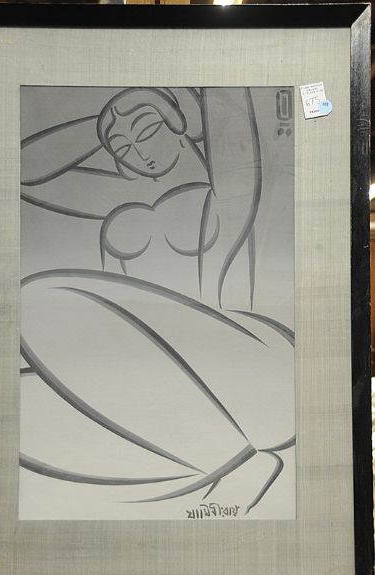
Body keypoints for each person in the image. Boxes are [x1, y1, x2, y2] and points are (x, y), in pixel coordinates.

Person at [19, 87, 295, 518]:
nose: (138, 154)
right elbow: (23, 170)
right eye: (123, 149)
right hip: (169, 385)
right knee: (20, 400)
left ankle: (230, 460)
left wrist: (155, 103)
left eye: (147, 132)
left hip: (246, 361)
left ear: (180, 122)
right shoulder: (116, 198)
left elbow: (230, 101)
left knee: (37, 299)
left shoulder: (231, 189)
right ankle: (219, 461)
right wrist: (103, 127)